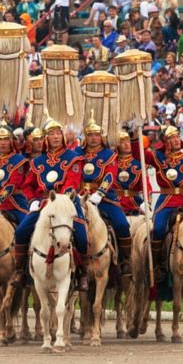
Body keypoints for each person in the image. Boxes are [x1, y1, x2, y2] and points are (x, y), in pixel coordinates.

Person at [12, 117, 89, 290]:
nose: (55, 137)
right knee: (21, 231)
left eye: (58, 133)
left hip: (67, 202)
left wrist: (59, 200)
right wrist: (32, 200)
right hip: (42, 203)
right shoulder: (37, 162)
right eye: (51, 134)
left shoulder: (73, 158)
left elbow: (72, 184)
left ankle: (83, 273)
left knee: (82, 236)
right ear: (46, 138)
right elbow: (27, 185)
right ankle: (20, 271)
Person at [130, 125, 183, 279]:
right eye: (172, 138)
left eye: (177, 136)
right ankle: (157, 264)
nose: (176, 140)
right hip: (167, 200)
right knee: (158, 228)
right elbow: (139, 155)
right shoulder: (158, 157)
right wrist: (134, 137)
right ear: (166, 141)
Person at [77, 115, 132, 274]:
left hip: (104, 197)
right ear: (85, 137)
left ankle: (125, 260)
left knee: (122, 224)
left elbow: (110, 175)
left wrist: (99, 193)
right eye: (90, 135)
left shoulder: (109, 154)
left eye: (96, 135)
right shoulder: (77, 153)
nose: (94, 138)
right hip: (80, 196)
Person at [113, 131, 151, 216]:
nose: (127, 144)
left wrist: (146, 201)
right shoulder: (111, 162)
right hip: (115, 202)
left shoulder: (140, 162)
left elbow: (146, 185)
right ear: (117, 145)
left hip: (135, 202)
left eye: (128, 141)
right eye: (122, 142)